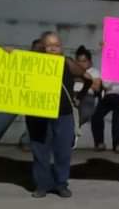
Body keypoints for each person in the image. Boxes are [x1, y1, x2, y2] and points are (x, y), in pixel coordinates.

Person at [26, 31, 85, 198]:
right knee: (40, 151)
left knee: (63, 151)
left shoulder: (67, 63)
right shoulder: (31, 62)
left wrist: (79, 96)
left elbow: (86, 76)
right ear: (42, 47)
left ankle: (61, 184)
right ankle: (42, 185)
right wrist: (8, 53)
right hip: (37, 113)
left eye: (57, 45)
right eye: (49, 45)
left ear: (62, 48)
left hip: (63, 114)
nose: (53, 48)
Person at [91, 80, 119, 153]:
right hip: (108, 97)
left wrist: (113, 88)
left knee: (117, 116)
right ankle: (99, 143)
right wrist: (117, 87)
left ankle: (118, 144)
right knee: (96, 116)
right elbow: (106, 85)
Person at [72, 46, 102, 143]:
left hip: (87, 96)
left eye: (84, 61)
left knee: (84, 114)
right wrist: (86, 80)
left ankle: (73, 129)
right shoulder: (72, 71)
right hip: (72, 95)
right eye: (79, 61)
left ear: (89, 62)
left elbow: (97, 87)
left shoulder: (94, 72)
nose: (81, 63)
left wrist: (81, 78)